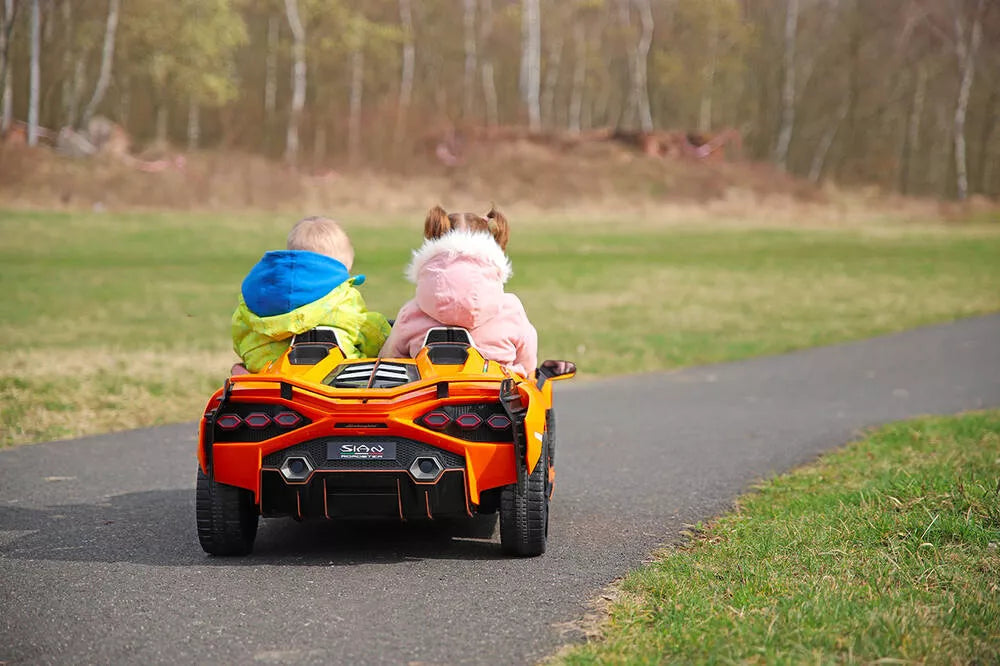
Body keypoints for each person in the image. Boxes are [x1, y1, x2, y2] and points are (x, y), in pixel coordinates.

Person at [379, 205, 537, 376]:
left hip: (429, 390)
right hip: (496, 390)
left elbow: (387, 363)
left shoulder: (411, 313)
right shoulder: (511, 309)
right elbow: (528, 366)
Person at [231, 216, 390, 374]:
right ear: (342, 267)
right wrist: (386, 331)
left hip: (270, 380)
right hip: (334, 380)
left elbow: (240, 340)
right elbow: (368, 330)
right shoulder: (344, 297)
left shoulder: (254, 300)